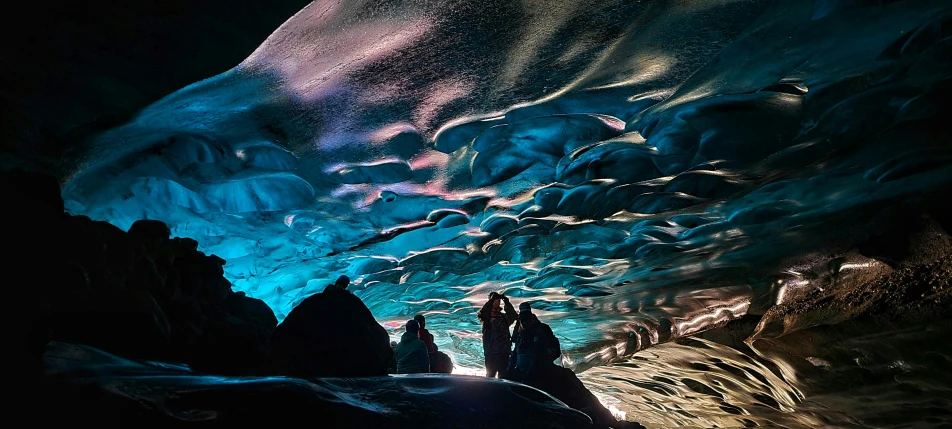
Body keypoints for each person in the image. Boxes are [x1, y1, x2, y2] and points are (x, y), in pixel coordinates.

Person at [508, 301, 561, 383]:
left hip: (538, 372)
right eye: (521, 319)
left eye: (526, 318)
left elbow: (539, 354)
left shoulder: (540, 331)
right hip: (524, 371)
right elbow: (515, 351)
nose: (524, 322)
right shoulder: (521, 335)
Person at [478, 291, 517, 378]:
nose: (497, 302)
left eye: (498, 300)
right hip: (491, 352)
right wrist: (491, 300)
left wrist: (507, 302)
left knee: (503, 376)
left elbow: (513, 316)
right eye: (495, 300)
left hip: (504, 351)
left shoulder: (503, 317)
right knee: (490, 375)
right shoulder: (486, 317)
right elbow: (484, 312)